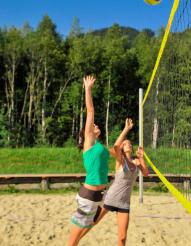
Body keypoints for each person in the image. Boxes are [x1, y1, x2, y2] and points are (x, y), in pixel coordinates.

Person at [80, 118, 149, 246]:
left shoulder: (135, 162)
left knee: (122, 238)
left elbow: (146, 173)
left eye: (129, 143)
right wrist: (126, 129)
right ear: (122, 148)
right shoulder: (120, 160)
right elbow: (115, 146)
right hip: (110, 198)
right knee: (92, 224)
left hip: (124, 202)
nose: (128, 144)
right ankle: (75, 240)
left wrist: (141, 158)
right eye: (125, 143)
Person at [67, 75, 110, 246]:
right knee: (72, 241)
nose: (95, 125)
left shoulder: (100, 146)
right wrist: (88, 88)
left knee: (92, 223)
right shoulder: (89, 142)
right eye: (92, 126)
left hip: (100, 195)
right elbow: (90, 110)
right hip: (89, 195)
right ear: (87, 132)